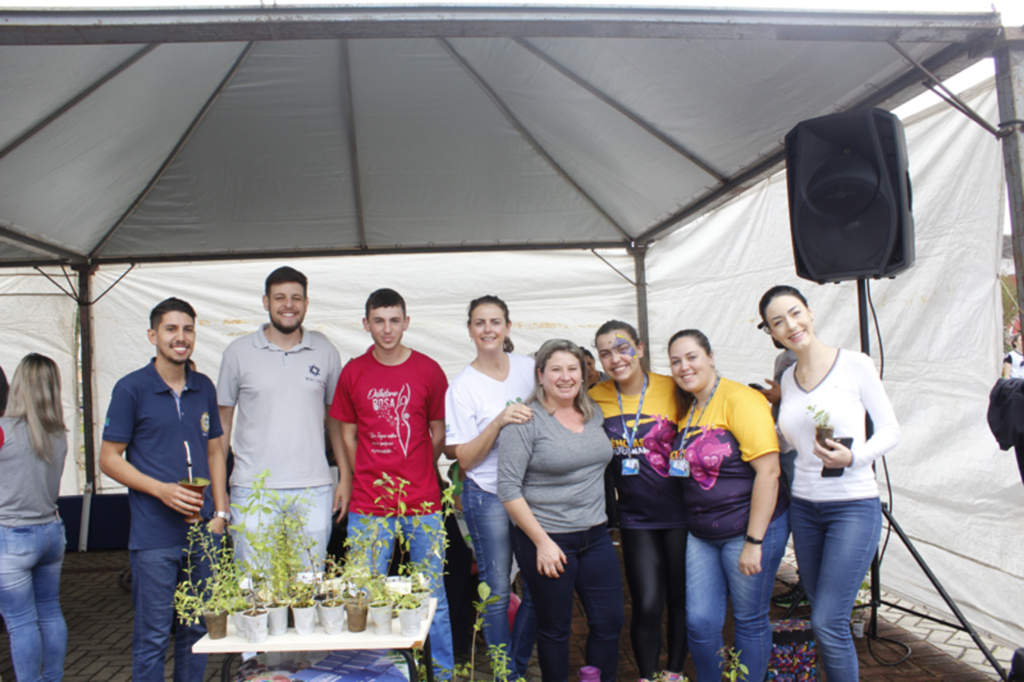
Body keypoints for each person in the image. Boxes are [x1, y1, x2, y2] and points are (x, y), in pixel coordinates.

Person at [758, 285, 900, 682]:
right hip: (804, 508)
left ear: (810, 313)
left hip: (852, 505)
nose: (790, 325)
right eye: (778, 321)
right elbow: (788, 439)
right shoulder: (786, 379)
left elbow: (890, 430)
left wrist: (855, 457)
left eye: (795, 313)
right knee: (824, 614)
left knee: (828, 621)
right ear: (772, 332)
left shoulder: (855, 364)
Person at [99, 298, 228, 682]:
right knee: (153, 637)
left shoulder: (203, 385)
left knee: (197, 631)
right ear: (153, 335)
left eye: (187, 329)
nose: (181, 337)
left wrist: (221, 512)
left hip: (204, 533)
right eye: (171, 329)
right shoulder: (131, 388)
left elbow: (215, 449)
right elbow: (108, 458)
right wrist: (161, 490)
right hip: (155, 536)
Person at [330, 288, 454, 677]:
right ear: (366, 324)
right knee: (363, 595)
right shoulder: (354, 372)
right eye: (378, 321)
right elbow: (347, 435)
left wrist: (417, 465)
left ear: (407, 322)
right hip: (369, 504)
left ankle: (441, 671)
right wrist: (359, 476)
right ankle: (371, 671)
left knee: (432, 595)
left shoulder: (429, 370)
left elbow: (438, 432)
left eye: (394, 320)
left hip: (423, 501)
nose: (387, 329)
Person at [498, 339, 624, 682]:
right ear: (541, 375)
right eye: (556, 369)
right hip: (547, 537)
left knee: (609, 621)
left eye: (573, 369)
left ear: (584, 375)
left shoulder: (594, 413)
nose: (565, 377)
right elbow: (508, 489)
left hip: (595, 535)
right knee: (555, 628)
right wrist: (542, 542)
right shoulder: (525, 420)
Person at [667, 329, 789, 682]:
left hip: (747, 530)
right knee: (700, 621)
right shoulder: (689, 407)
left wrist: (754, 542)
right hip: (702, 533)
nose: (684, 367)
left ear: (710, 356)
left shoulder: (740, 399)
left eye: (691, 357)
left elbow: (769, 471)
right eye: (676, 361)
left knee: (749, 619)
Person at [217, 266, 346, 571]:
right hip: (252, 489)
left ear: (306, 303)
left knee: (309, 586)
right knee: (255, 591)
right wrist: (219, 487)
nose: (288, 305)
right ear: (266, 302)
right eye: (280, 298)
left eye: (296, 298)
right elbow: (222, 425)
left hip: (313, 487)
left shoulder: (325, 351)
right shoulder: (237, 353)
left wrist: (345, 476)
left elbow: (337, 423)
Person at [443, 295, 537, 679]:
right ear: (469, 330)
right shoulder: (462, 387)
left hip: (532, 493)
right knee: (496, 590)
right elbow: (464, 459)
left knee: (537, 585)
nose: (488, 330)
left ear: (508, 327)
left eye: (495, 322)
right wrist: (498, 422)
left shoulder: (530, 369)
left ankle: (515, 662)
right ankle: (504, 673)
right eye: (479, 323)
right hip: (488, 495)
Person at [588, 321, 686, 682]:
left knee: (680, 602)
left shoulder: (674, 387)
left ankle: (674, 673)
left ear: (641, 348)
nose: (616, 358)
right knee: (646, 604)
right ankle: (647, 676)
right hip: (635, 518)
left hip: (682, 515)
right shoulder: (595, 397)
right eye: (605, 353)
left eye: (623, 348)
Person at [0, 354, 68, 682]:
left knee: (21, 623)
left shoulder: (3, 431)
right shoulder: (59, 434)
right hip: (51, 532)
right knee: (50, 613)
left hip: (11, 537)